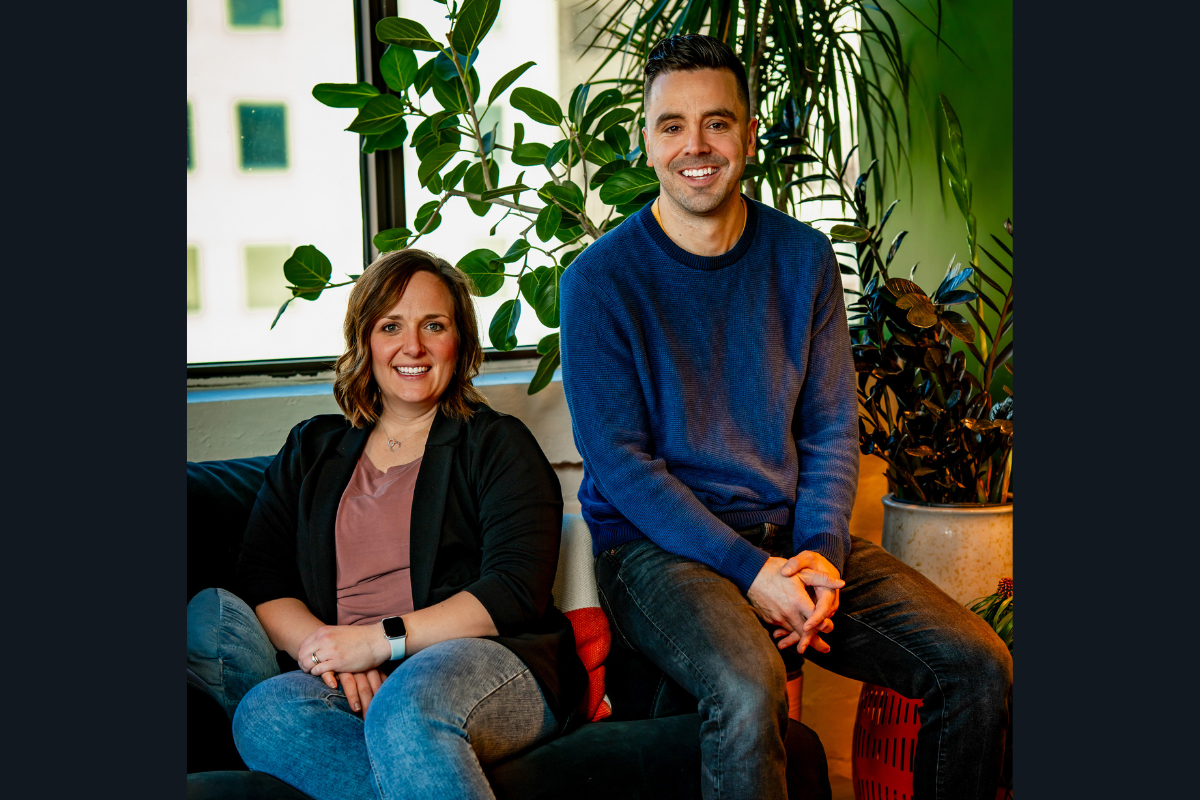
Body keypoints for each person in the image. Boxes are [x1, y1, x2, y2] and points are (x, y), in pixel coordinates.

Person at [558, 34, 1011, 800]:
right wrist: (754, 574)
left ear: (750, 132)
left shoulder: (800, 258)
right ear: (645, 139)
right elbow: (622, 466)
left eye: (717, 122)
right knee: (747, 686)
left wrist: (820, 556)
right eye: (672, 125)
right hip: (656, 552)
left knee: (975, 664)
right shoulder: (599, 281)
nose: (694, 145)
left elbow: (832, 427)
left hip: (791, 540)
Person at [186, 249, 586, 800]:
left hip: (481, 663)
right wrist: (332, 652)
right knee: (264, 713)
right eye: (391, 326)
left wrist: (379, 642)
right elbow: (263, 578)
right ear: (365, 341)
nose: (412, 347)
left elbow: (513, 591)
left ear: (460, 343)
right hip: (347, 676)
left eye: (434, 326)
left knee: (408, 705)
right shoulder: (312, 448)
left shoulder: (496, 444)